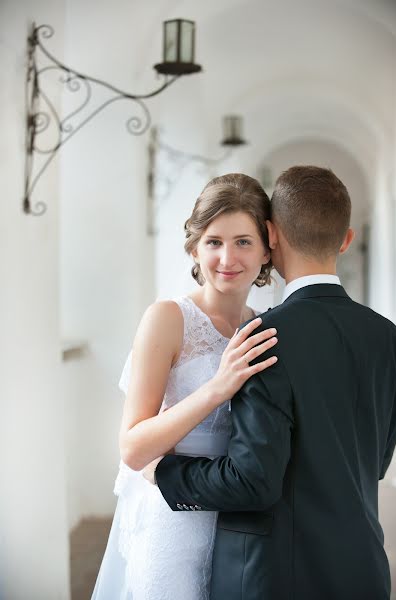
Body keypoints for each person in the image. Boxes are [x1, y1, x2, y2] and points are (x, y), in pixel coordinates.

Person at [150, 166, 396, 600]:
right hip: (363, 567)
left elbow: (253, 483)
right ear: (346, 240)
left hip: (270, 577)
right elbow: (374, 461)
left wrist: (166, 473)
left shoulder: (261, 337)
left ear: (272, 236)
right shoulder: (388, 337)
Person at [91, 173, 279, 600]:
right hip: (172, 523)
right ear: (195, 246)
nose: (227, 257)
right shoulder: (168, 318)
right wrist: (218, 387)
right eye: (213, 241)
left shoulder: (263, 325)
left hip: (239, 522)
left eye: (243, 241)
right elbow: (134, 448)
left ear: (267, 248)